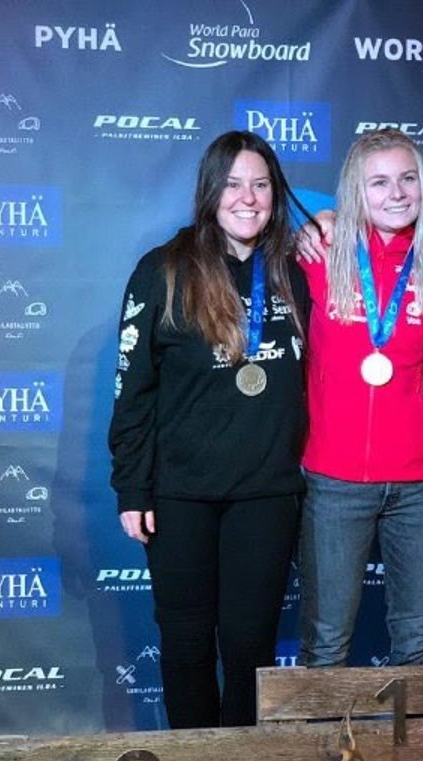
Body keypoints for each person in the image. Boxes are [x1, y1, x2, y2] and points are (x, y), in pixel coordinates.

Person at [108, 131, 312, 728]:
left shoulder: (295, 271)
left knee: (251, 649)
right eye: (233, 184)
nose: (247, 198)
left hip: (266, 494)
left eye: (260, 185)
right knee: (187, 643)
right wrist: (132, 488)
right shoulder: (164, 270)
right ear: (209, 191)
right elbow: (133, 388)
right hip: (180, 495)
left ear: (275, 194)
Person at [296, 128, 423, 668]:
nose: (397, 193)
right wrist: (318, 222)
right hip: (335, 480)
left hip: (422, 483)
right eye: (380, 182)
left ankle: (412, 734)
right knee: (326, 641)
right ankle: (321, 733)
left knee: (420, 639)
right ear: (355, 191)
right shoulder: (319, 252)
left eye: (407, 179)